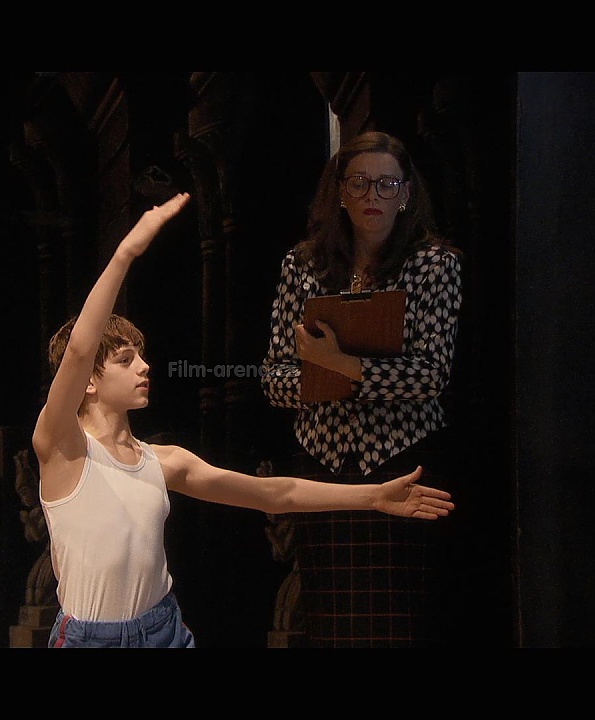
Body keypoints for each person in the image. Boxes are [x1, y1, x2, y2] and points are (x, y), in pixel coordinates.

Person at [32, 191, 454, 648]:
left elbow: (275, 493)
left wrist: (373, 496)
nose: (144, 367)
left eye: (142, 356)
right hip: (91, 639)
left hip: (162, 630)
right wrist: (126, 253)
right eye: (125, 360)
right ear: (89, 383)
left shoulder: (163, 461)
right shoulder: (62, 448)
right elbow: (80, 349)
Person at [260, 131, 464, 647]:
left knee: (399, 622)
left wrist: (340, 366)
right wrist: (337, 378)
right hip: (321, 464)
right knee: (331, 624)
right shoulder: (302, 265)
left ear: (406, 194)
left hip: (403, 458)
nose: (373, 195)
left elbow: (431, 375)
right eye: (359, 183)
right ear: (340, 192)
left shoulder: (433, 265)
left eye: (386, 184)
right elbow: (274, 379)